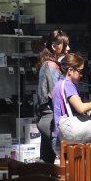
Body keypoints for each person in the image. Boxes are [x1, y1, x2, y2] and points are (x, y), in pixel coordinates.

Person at [51, 53, 91, 157]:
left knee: (68, 171)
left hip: (59, 137)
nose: (82, 75)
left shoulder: (59, 84)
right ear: (70, 70)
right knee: (81, 170)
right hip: (68, 139)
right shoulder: (68, 85)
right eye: (80, 71)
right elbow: (80, 108)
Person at [36, 30, 70, 164]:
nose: (68, 48)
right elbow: (54, 95)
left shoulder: (54, 65)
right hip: (51, 118)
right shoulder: (49, 66)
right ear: (54, 47)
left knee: (46, 160)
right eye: (65, 45)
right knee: (66, 157)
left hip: (50, 118)